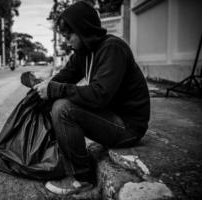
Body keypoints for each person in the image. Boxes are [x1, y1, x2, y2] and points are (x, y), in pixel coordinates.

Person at [33, 1, 150, 195]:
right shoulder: (83, 53)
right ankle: (66, 161)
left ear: (82, 29)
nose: (66, 40)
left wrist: (55, 89)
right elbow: (63, 78)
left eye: (68, 35)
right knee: (53, 100)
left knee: (63, 109)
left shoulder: (113, 48)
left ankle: (83, 178)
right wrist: (41, 91)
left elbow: (99, 95)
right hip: (110, 116)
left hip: (129, 127)